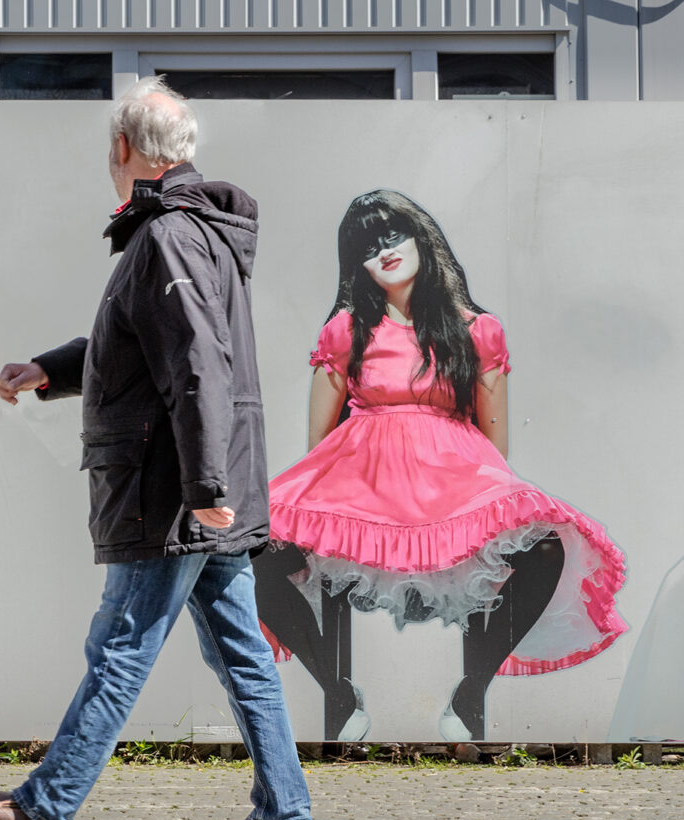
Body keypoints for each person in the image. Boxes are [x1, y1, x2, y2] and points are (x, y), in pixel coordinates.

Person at [0, 76, 315, 820]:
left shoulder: (167, 237)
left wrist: (206, 488)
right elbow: (141, 356)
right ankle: (285, 810)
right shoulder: (192, 231)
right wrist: (50, 369)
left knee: (121, 642)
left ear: (123, 148)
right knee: (240, 650)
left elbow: (197, 368)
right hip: (197, 483)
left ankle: (45, 807)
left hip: (172, 489)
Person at [255, 189, 628, 743]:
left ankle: (471, 691)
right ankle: (336, 691)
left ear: (421, 237)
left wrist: (465, 510)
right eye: (367, 247)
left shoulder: (479, 330)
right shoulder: (345, 329)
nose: (383, 252)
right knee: (256, 547)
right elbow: (319, 443)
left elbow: (495, 447)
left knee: (545, 546)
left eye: (393, 236)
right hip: (358, 489)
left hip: (452, 486)